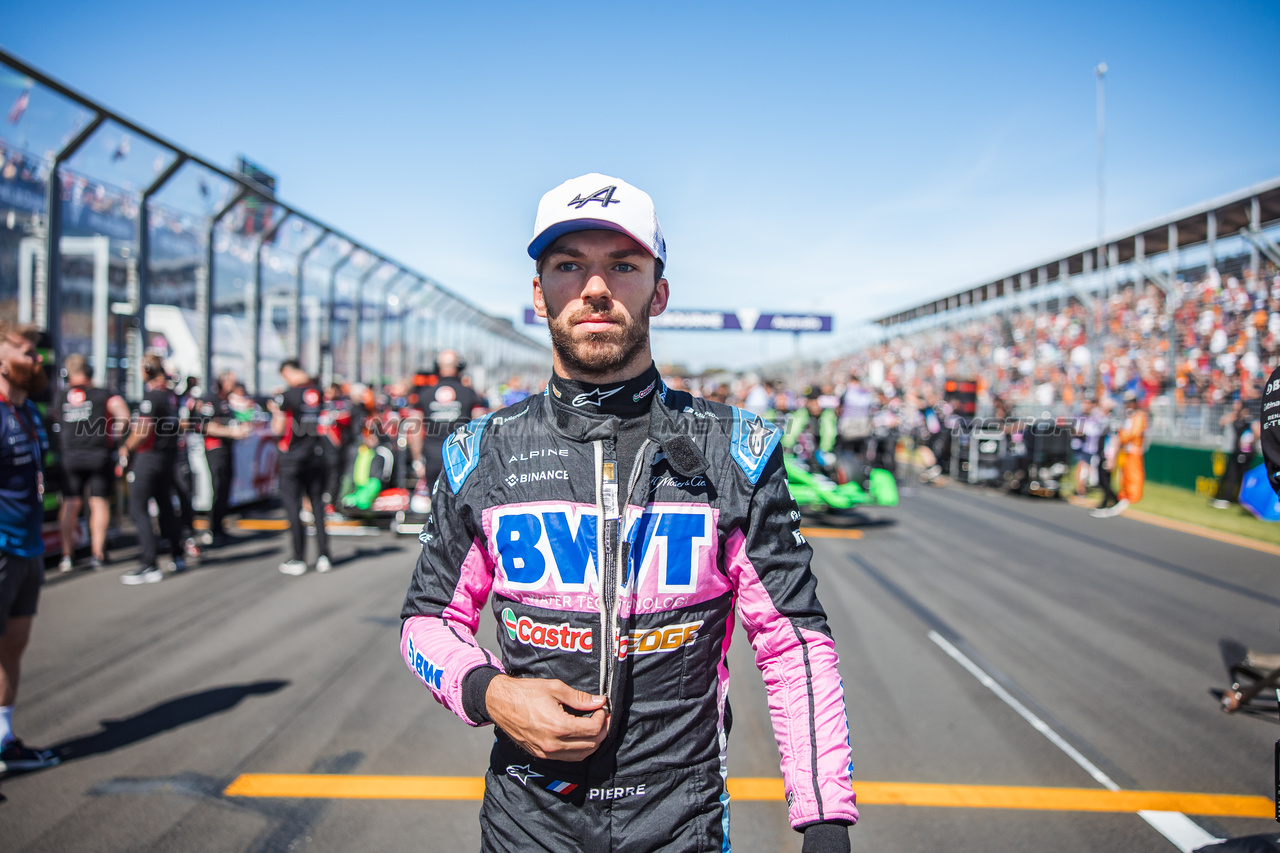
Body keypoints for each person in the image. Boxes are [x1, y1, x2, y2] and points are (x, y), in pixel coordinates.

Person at [400, 174, 857, 853]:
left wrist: (823, 820)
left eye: (622, 264)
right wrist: (490, 692)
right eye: (567, 265)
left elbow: (792, 639)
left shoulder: (735, 449)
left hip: (682, 824)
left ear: (659, 290)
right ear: (538, 294)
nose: (594, 287)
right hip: (528, 827)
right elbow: (427, 621)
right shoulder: (482, 451)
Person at [0, 322, 59, 772]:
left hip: (29, 546)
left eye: (37, 353)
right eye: (25, 352)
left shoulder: (29, 412)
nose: (36, 360)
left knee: (13, 645)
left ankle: (3, 741)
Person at [53, 353, 130, 571]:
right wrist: (114, 435)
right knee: (98, 502)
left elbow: (56, 421)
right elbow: (123, 415)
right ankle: (97, 554)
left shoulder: (61, 396)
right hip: (98, 455)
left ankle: (66, 556)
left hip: (70, 456)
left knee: (70, 503)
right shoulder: (103, 393)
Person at [118, 354, 187, 584]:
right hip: (167, 458)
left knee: (138, 509)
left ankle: (149, 564)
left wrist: (125, 448)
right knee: (165, 506)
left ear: (147, 369)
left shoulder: (154, 396)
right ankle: (177, 555)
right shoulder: (171, 396)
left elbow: (143, 430)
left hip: (149, 458)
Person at [269, 361, 330, 576]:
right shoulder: (318, 392)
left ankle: (298, 558)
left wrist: (275, 409)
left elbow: (278, 428)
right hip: (316, 455)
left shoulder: (286, 395)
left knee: (293, 507)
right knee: (317, 505)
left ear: (288, 371)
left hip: (292, 458)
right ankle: (324, 555)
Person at [405, 349, 484, 491]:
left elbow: (414, 429)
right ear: (459, 367)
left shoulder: (424, 394)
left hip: (432, 459)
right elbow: (482, 427)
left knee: (436, 507)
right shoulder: (469, 394)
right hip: (462, 460)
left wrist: (417, 461)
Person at [193, 371, 250, 545]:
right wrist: (232, 432)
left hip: (227, 448)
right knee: (217, 488)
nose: (234, 384)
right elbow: (205, 426)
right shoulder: (211, 399)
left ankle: (219, 527)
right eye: (231, 381)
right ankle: (212, 530)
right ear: (223, 382)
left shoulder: (227, 401)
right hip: (215, 449)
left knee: (225, 488)